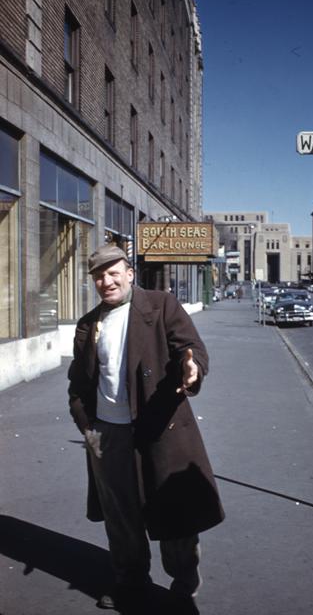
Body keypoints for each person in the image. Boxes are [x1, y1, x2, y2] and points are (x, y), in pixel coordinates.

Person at [68, 244, 224, 613]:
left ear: (130, 272)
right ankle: (131, 582)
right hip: (109, 432)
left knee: (173, 514)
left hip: (161, 425)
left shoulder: (161, 304)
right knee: (121, 517)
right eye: (99, 276)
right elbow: (79, 384)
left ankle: (183, 584)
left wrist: (192, 368)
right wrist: (87, 427)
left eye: (113, 272)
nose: (107, 281)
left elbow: (192, 349)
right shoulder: (89, 324)